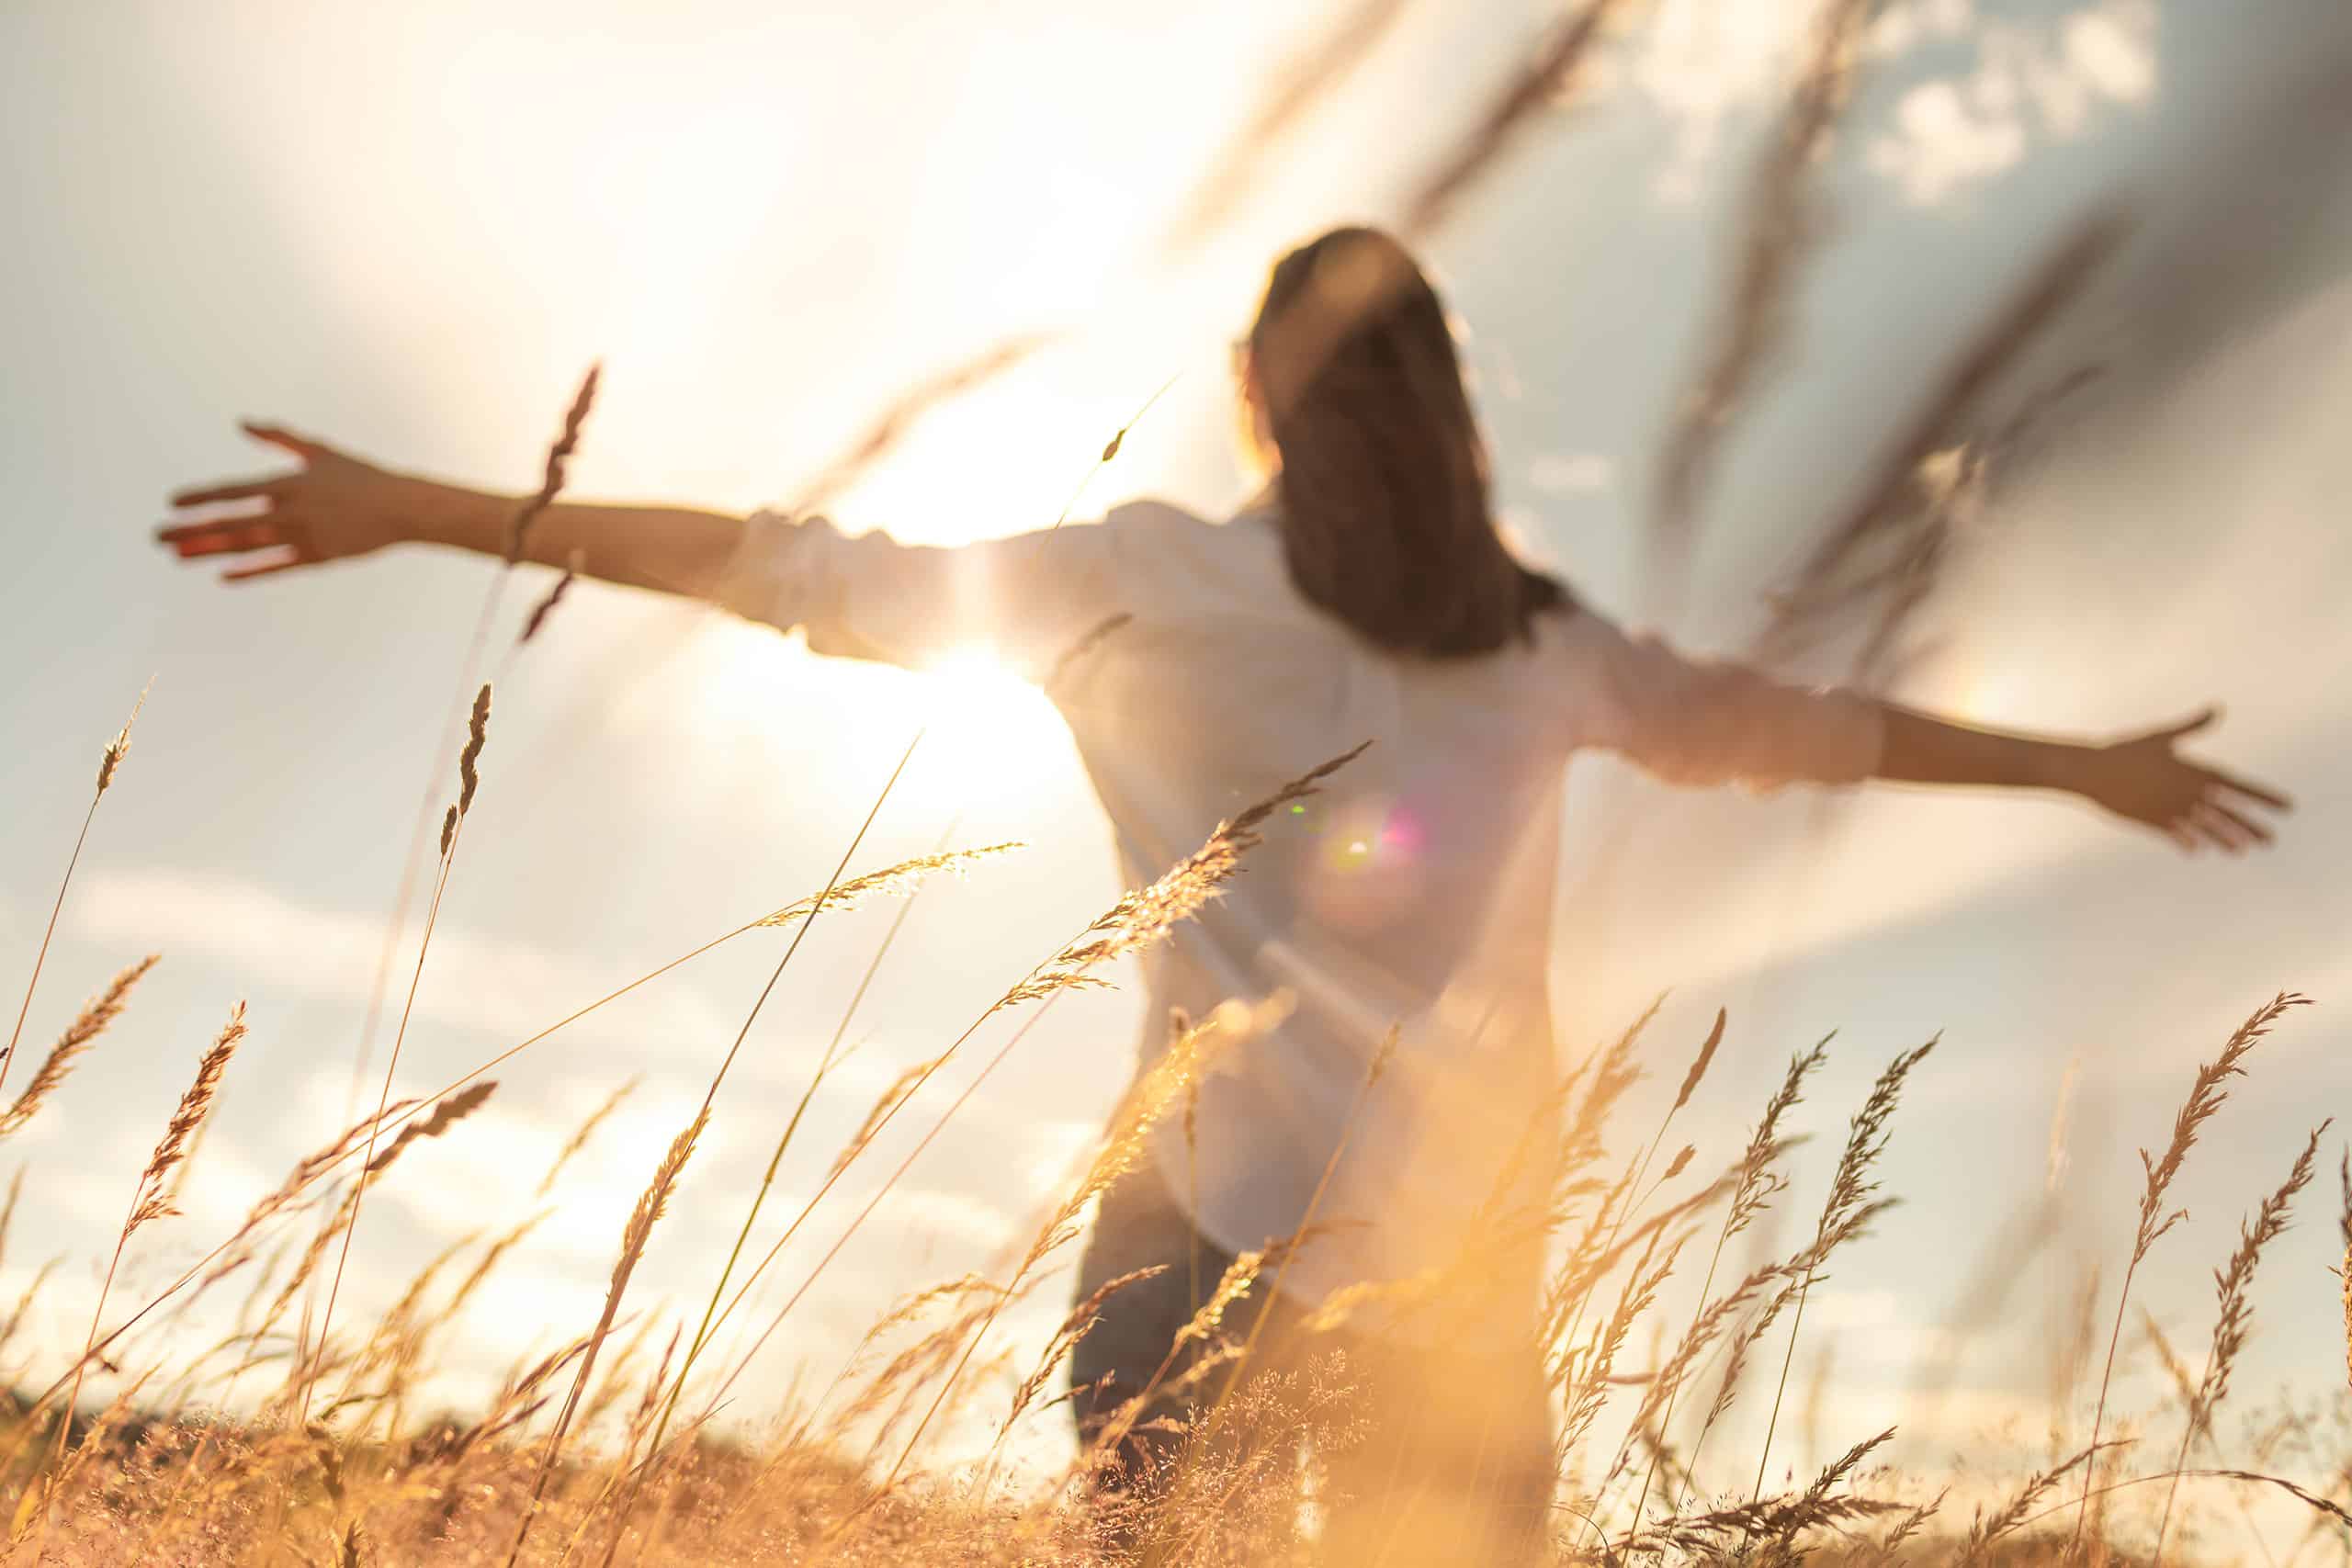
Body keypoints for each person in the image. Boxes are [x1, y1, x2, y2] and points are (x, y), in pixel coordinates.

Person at [159, 226, 2288, 1560]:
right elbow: (1806, 726)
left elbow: (777, 562)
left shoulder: (1157, 575)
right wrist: (2077, 766)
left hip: (1185, 1228)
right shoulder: (1543, 645)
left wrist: (425, 510)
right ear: (1449, 409)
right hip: (1449, 1271)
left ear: (1262, 396)